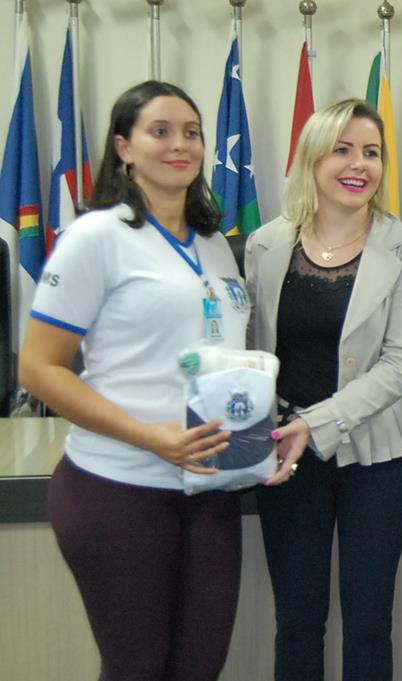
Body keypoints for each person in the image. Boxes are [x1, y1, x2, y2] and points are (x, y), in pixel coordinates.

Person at [18, 81, 246, 681]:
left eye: (191, 133)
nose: (180, 145)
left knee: (199, 666)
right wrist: (150, 437)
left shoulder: (214, 243)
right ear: (124, 147)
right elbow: (38, 368)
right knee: (136, 667)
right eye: (160, 131)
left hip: (209, 490)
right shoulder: (97, 236)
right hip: (118, 488)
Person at [245, 98, 402, 681]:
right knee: (297, 620)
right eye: (343, 150)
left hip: (378, 459)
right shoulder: (265, 245)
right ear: (313, 159)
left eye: (371, 152)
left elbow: (401, 365)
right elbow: (253, 352)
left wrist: (317, 423)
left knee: (369, 622)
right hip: (287, 453)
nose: (359, 164)